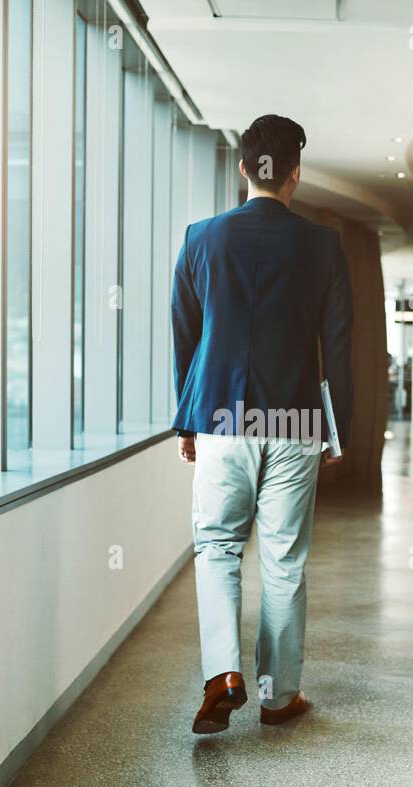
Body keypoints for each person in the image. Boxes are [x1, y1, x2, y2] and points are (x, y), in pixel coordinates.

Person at [171, 114, 354, 735]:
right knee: (283, 559)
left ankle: (222, 674)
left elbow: (186, 338)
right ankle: (278, 696)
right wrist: (338, 429)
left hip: (222, 411)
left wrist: (186, 421)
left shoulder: (200, 238)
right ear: (295, 177)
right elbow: (340, 343)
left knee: (218, 546)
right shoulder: (324, 245)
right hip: (297, 417)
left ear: (244, 168)